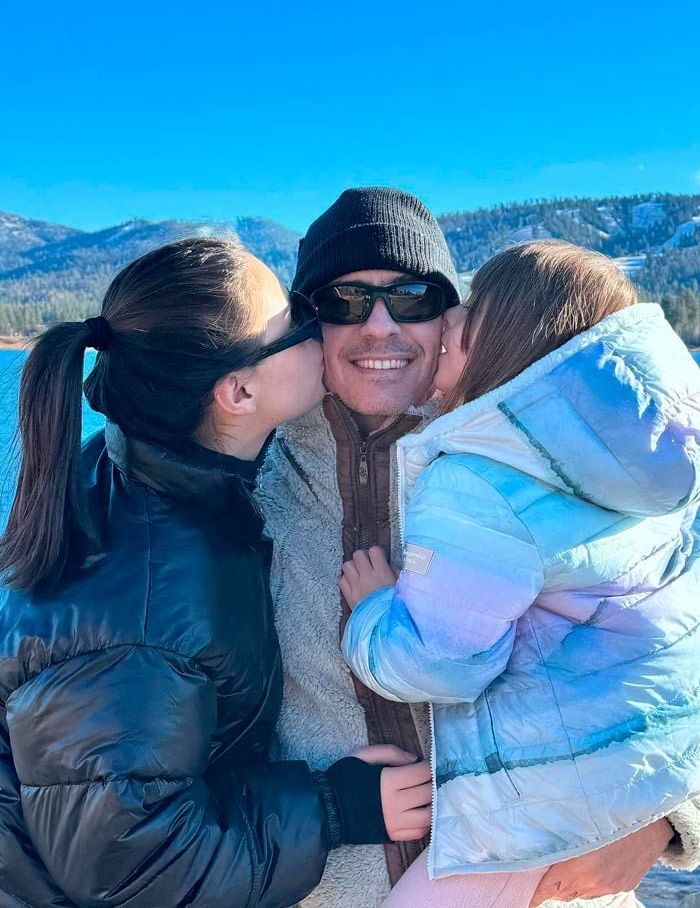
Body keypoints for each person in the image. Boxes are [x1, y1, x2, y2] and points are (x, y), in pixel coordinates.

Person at [257, 191, 700, 908]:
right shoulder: (237, 475)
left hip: (560, 891)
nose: (379, 326)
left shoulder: (563, 467)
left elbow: (668, 633)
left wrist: (667, 813)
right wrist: (322, 808)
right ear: (310, 320)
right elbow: (118, 739)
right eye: (345, 300)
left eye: (413, 297)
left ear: (452, 322)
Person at [0, 236, 429, 908]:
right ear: (237, 391)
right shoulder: (149, 595)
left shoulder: (145, 471)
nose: (318, 321)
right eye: (293, 320)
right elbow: (133, 862)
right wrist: (334, 807)